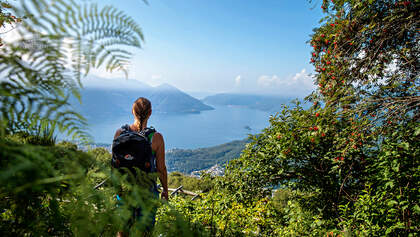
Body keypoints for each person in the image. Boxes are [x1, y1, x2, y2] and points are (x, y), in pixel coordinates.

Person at [113, 97, 168, 236]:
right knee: (145, 232)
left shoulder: (120, 133)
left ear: (133, 111)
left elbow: (114, 164)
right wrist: (165, 190)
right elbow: (161, 169)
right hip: (147, 191)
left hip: (126, 189)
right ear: (150, 113)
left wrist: (117, 188)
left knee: (123, 229)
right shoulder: (156, 138)